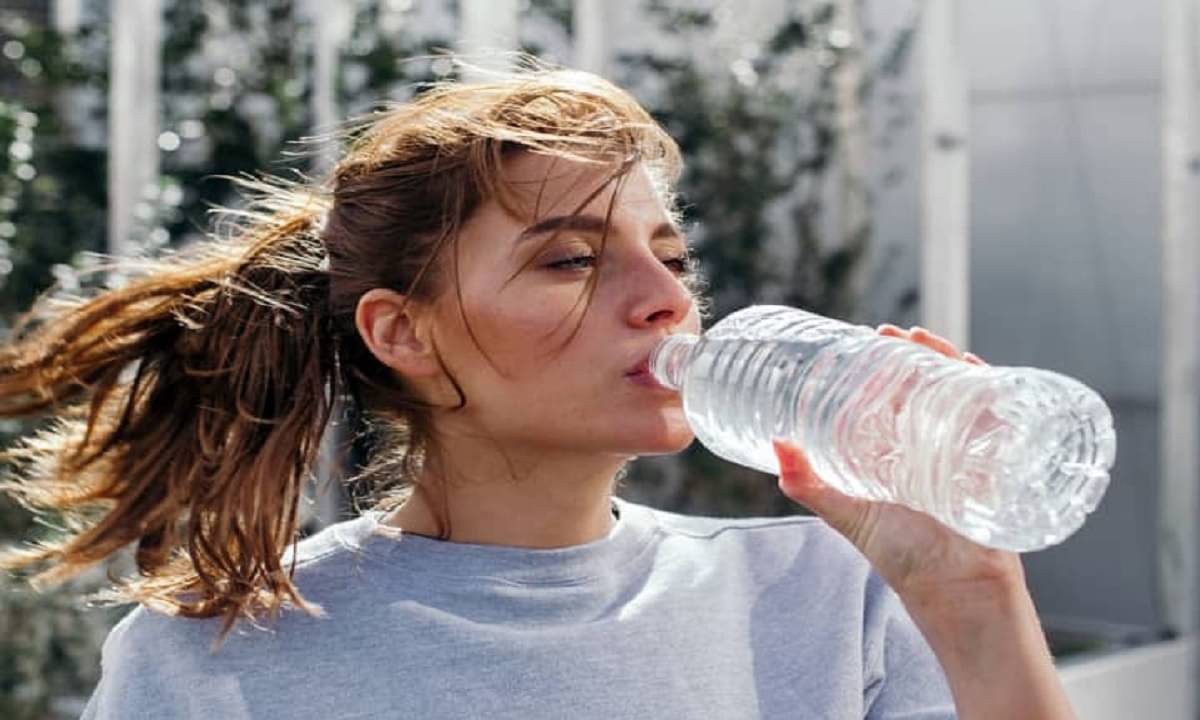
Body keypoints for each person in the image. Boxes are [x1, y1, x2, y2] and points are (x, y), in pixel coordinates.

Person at [0, 66, 1072, 719]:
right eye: (570, 260)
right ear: (402, 331)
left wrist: (975, 601)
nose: (665, 303)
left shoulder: (822, 597)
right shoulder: (215, 659)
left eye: (670, 256)